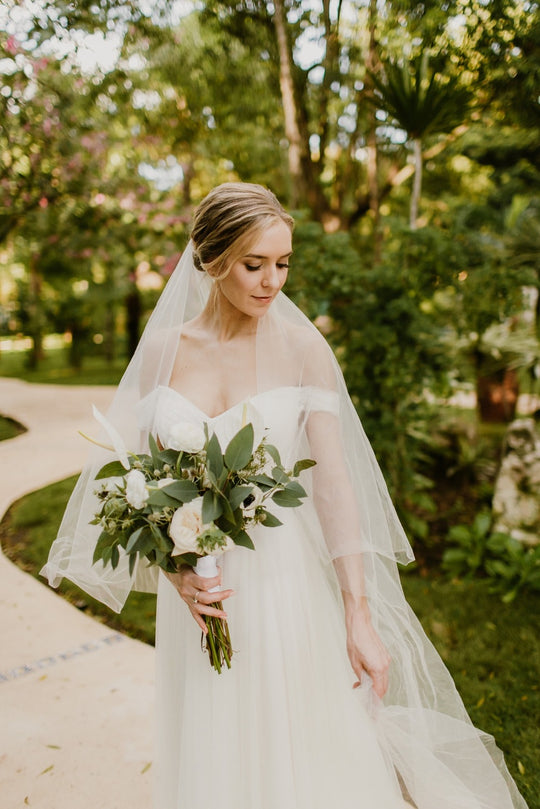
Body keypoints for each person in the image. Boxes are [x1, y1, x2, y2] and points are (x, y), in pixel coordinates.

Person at [42, 183, 529, 809]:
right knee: (214, 749)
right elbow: (137, 482)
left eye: (283, 263)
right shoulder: (163, 351)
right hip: (203, 600)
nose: (273, 282)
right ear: (211, 259)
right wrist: (176, 574)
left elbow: (333, 483)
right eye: (255, 264)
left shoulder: (303, 349)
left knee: (306, 753)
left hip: (284, 587)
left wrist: (357, 612)